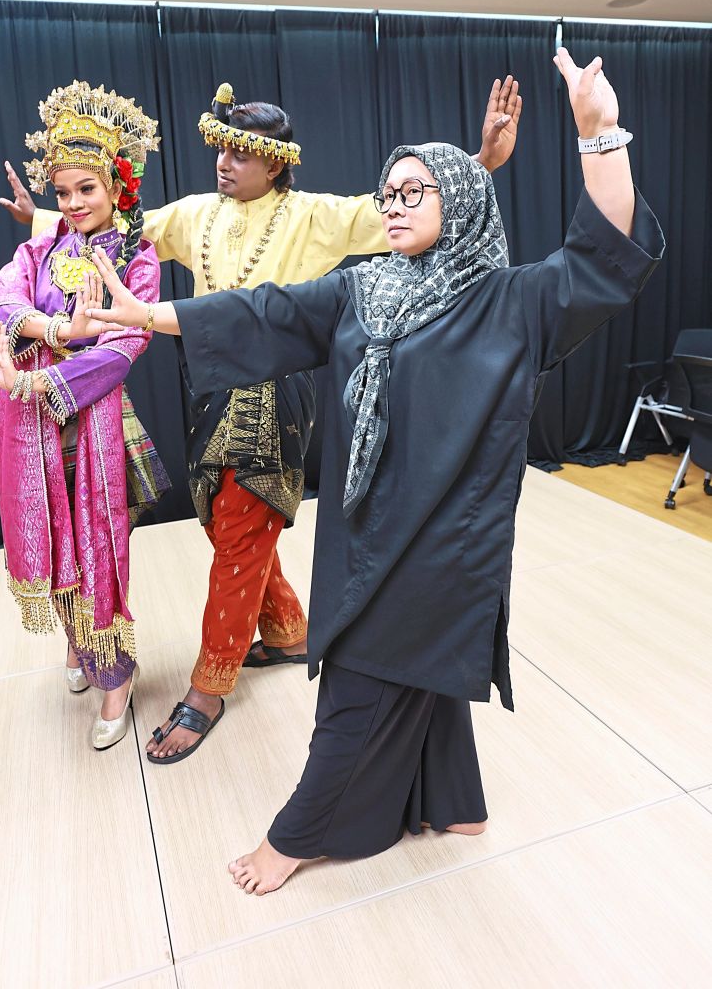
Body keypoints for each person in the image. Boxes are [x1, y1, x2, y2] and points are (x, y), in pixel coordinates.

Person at [86, 47, 663, 887]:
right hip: (364, 527)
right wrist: (152, 313)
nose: (392, 206)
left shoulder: (512, 302)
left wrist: (600, 135)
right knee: (415, 671)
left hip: (440, 541)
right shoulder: (363, 290)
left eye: (412, 193)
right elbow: (265, 311)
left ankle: (301, 834)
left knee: (358, 676)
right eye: (387, 192)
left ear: (457, 199)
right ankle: (453, 802)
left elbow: (602, 257)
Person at [0, 76, 523, 763]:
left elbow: (393, 214)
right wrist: (42, 219)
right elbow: (123, 231)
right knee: (227, 519)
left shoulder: (315, 214)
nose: (224, 164)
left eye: (240, 155)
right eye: (219, 151)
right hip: (211, 381)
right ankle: (284, 630)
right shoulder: (195, 214)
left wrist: (481, 161)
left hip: (279, 389)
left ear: (274, 162)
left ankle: (208, 686)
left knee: (244, 522)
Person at [0, 81, 169, 750]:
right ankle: (75, 641)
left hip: (93, 425)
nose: (73, 204)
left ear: (117, 184)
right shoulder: (41, 248)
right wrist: (57, 329)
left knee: (97, 549)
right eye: (63, 193)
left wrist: (43, 376)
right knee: (47, 540)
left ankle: (114, 673)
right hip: (29, 429)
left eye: (86, 188)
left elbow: (122, 348)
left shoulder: (135, 258)